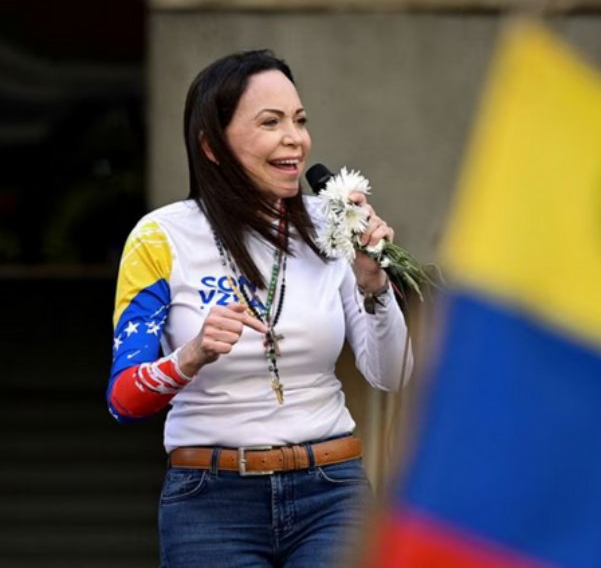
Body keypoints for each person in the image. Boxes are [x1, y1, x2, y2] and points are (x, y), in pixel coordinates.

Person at [106, 49, 412, 567]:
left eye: (299, 120)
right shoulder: (159, 238)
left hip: (332, 492)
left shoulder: (334, 224)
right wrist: (192, 354)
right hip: (209, 500)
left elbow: (393, 374)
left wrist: (373, 283)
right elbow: (124, 398)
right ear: (212, 145)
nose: (295, 138)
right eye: (271, 123)